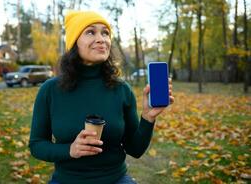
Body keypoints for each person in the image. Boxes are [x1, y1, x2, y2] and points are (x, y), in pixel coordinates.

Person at [29, 11, 175, 184]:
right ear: (74, 43)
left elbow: (135, 149)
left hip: (116, 179)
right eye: (91, 32)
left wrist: (148, 118)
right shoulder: (50, 90)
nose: (101, 39)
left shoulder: (121, 89)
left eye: (105, 33)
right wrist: (70, 150)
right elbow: (37, 144)